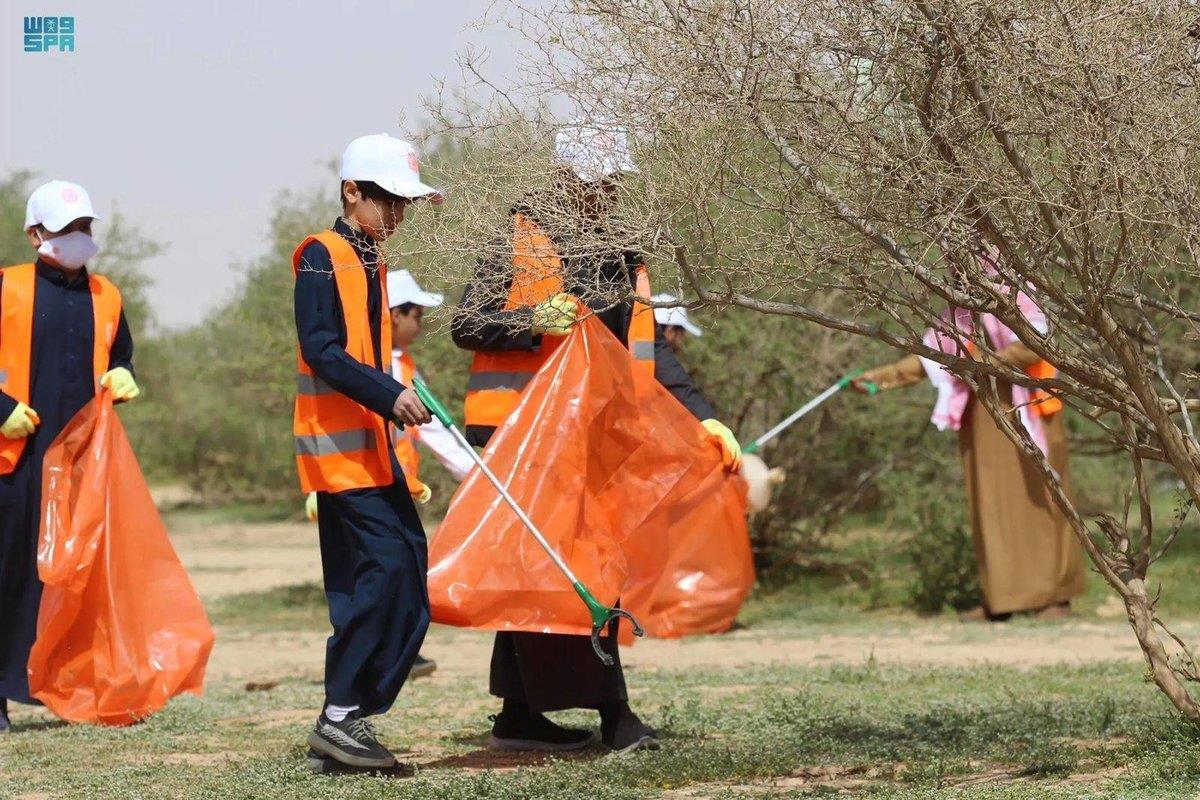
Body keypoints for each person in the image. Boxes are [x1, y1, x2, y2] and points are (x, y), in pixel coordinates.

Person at [452, 121, 742, 753]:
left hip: (589, 437)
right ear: (565, 180)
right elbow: (466, 323)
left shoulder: (622, 255)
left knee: (550, 568)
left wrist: (703, 415)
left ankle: (518, 715)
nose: (604, 193)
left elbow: (649, 349)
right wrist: (533, 319)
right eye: (593, 183)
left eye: (611, 182)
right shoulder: (517, 238)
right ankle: (615, 716)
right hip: (521, 436)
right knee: (579, 571)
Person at [293, 133, 440, 769]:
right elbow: (321, 350)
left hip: (376, 455)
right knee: (378, 578)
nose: (397, 216)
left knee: (406, 574)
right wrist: (389, 394)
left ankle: (350, 715)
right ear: (352, 192)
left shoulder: (373, 261)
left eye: (404, 203)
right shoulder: (320, 256)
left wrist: (397, 394)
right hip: (339, 457)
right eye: (387, 201)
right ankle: (340, 717)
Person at [853, 251, 1086, 621]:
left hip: (1030, 408)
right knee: (991, 505)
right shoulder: (960, 312)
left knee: (1042, 498)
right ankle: (1002, 598)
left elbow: (1032, 344)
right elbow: (935, 355)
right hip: (984, 414)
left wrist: (981, 365)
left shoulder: (1021, 296)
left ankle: (1054, 596)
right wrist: (881, 378)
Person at [0, 180, 140, 732]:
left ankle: (64, 685)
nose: (79, 238)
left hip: (80, 462)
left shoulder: (107, 294)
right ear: (36, 235)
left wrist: (125, 372)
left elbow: (122, 353)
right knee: (8, 573)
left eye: (84, 227)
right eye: (65, 230)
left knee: (71, 578)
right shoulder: (6, 288)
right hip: (15, 459)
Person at [304, 269, 473, 680]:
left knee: (390, 574)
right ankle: (371, 663)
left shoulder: (399, 364)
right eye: (416, 313)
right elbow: (435, 432)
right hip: (363, 486)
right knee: (381, 575)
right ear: (394, 315)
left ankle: (388, 653)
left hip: (388, 486)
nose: (420, 323)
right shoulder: (380, 369)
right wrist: (477, 474)